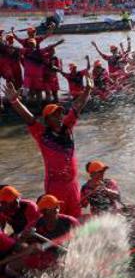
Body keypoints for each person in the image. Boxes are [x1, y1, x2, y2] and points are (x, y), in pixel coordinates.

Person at [3, 79, 93, 219]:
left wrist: (88, 90)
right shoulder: (41, 134)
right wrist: (15, 102)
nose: (59, 117)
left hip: (72, 183)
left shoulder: (67, 128)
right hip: (55, 185)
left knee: (75, 216)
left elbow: (77, 106)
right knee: (58, 217)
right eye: (55, 115)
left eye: (60, 114)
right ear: (47, 120)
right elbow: (29, 118)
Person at [21, 195, 79, 272]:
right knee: (16, 264)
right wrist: (26, 241)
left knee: (60, 266)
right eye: (53, 208)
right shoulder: (34, 225)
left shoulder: (70, 222)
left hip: (67, 255)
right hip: (45, 255)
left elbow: (82, 241)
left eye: (57, 207)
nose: (57, 210)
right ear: (43, 212)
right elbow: (20, 244)